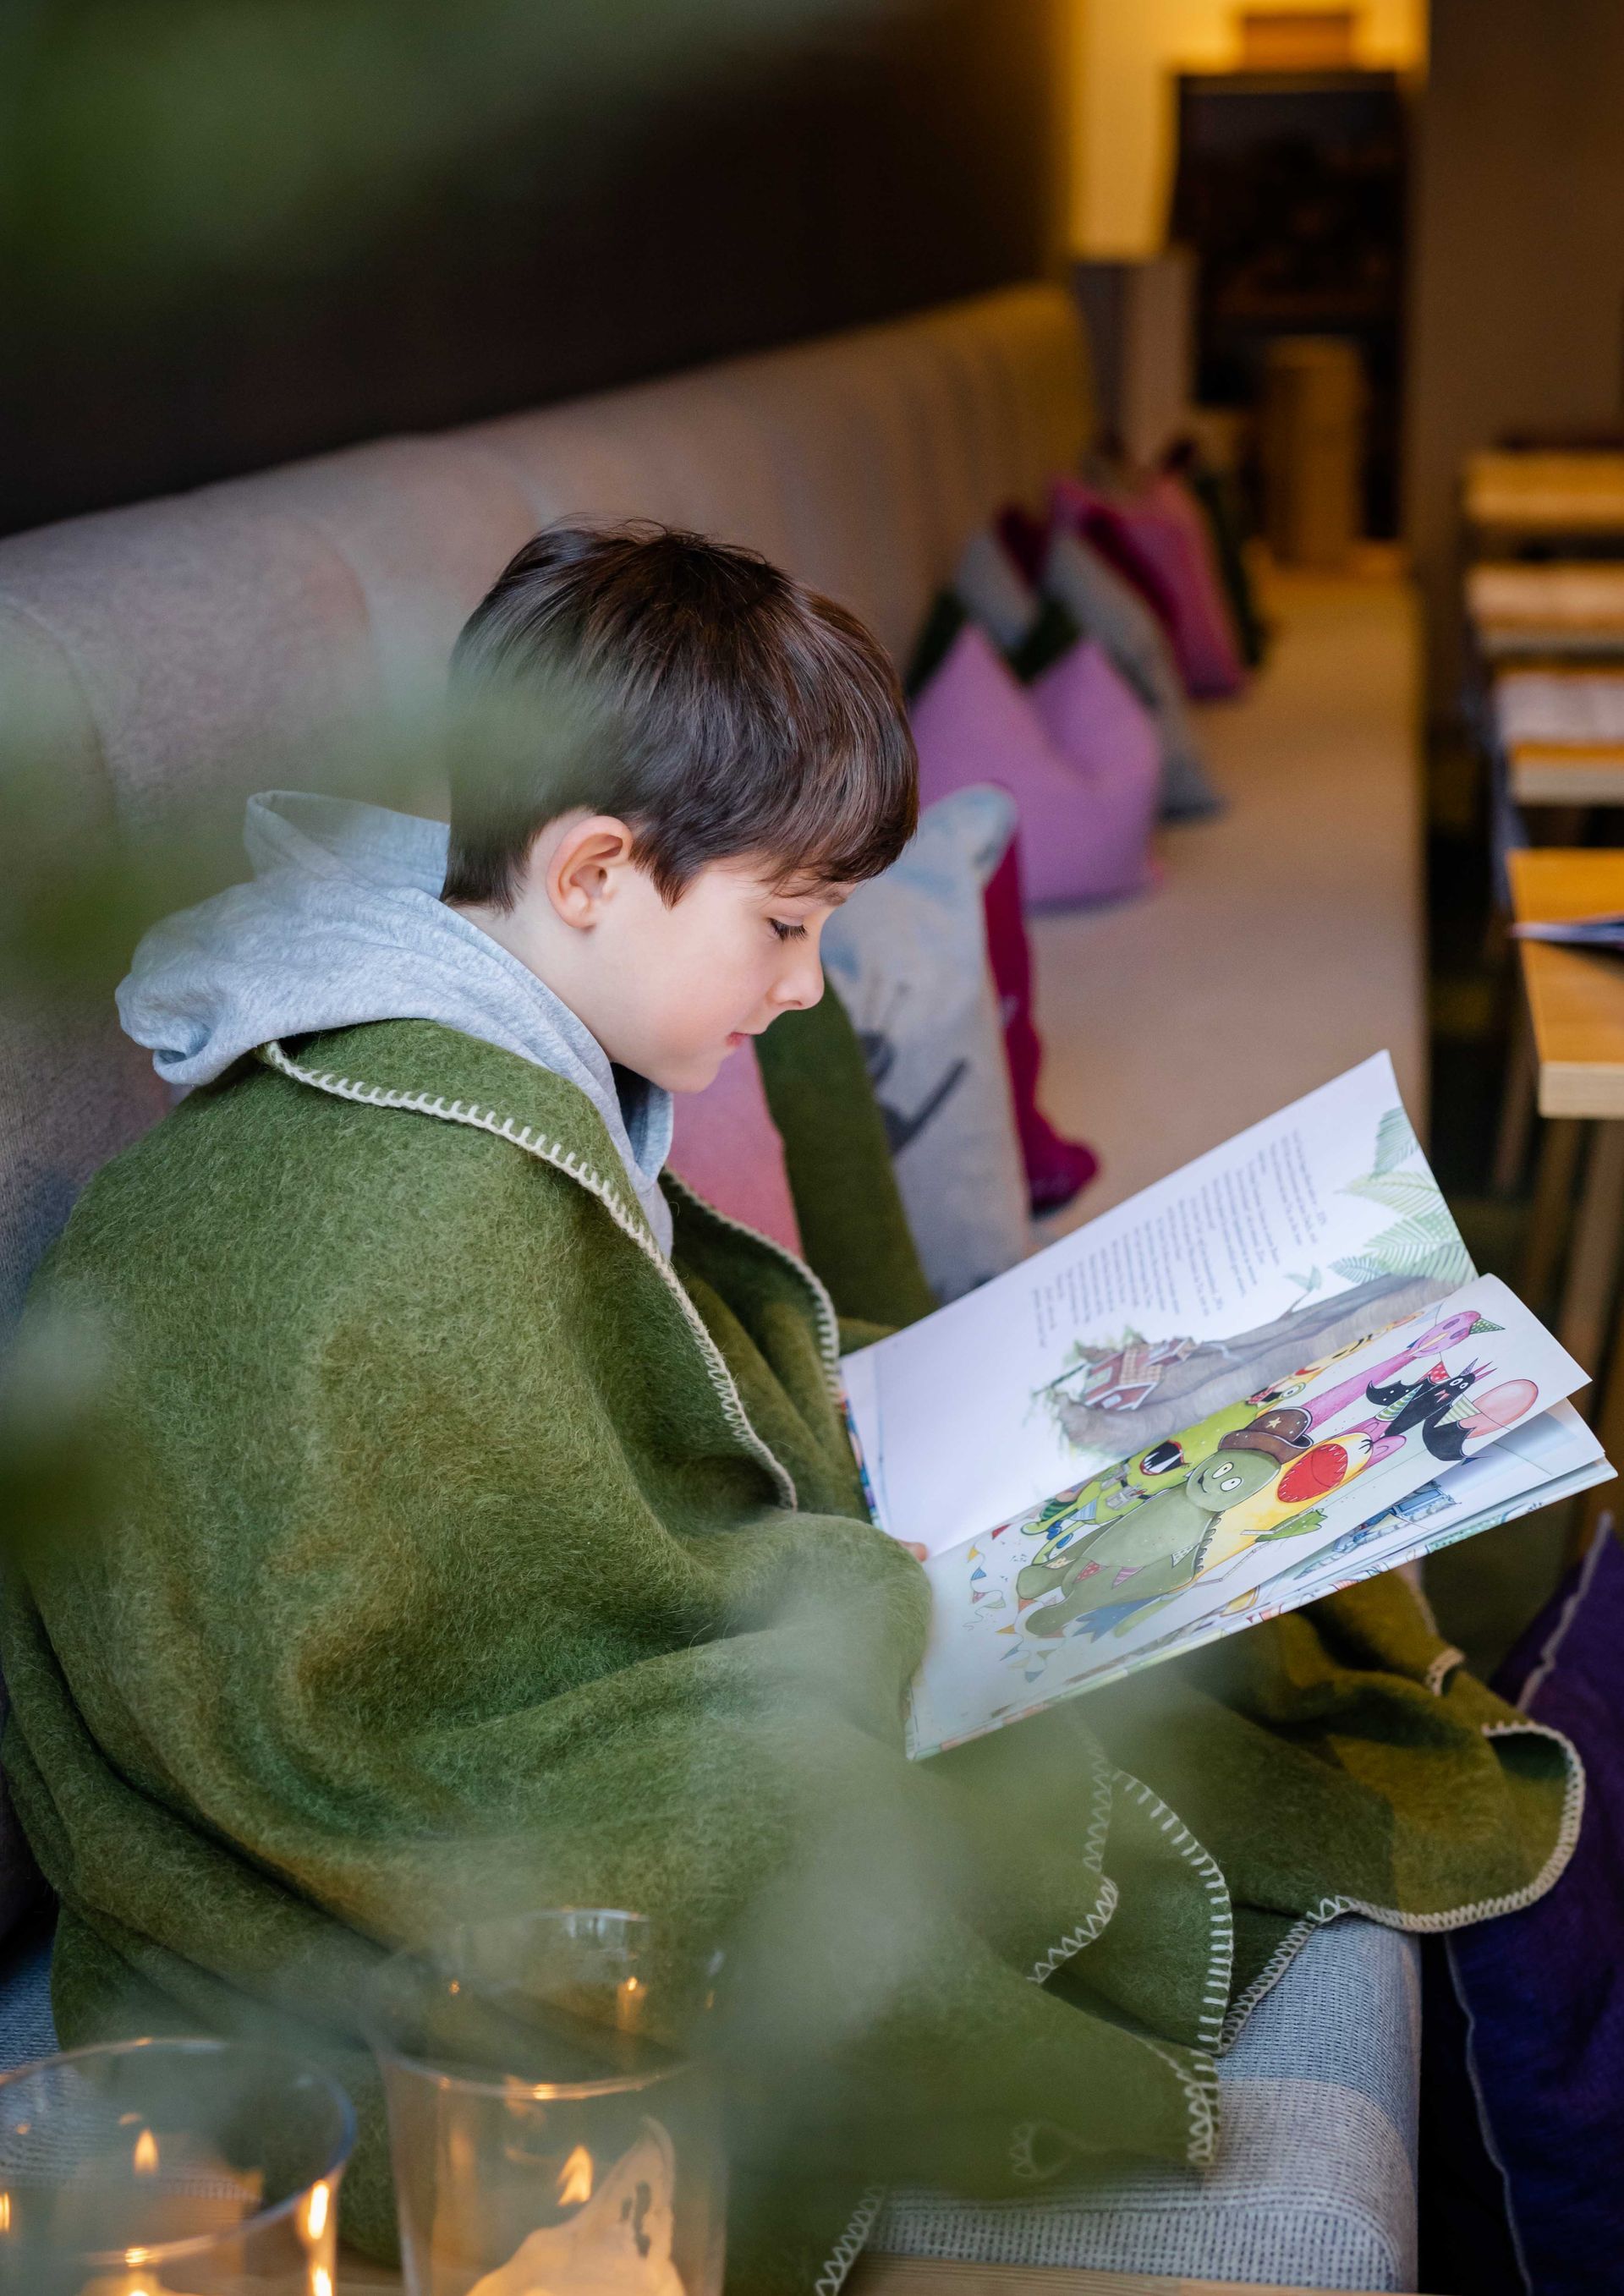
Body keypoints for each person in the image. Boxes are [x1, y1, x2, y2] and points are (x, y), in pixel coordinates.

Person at [0, 525, 1581, 2296]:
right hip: (332, 1765)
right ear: (596, 868)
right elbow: (439, 1668)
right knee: (916, 1755)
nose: (807, 987)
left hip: (379, 1663)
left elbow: (602, 1426)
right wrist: (872, 1576)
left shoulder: (474, 1017)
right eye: (786, 923)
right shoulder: (410, 1188)